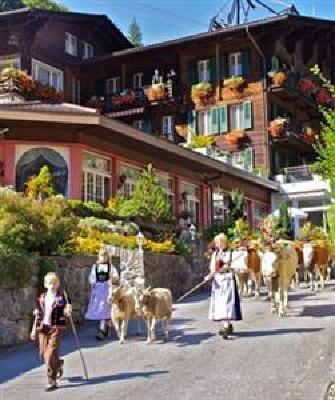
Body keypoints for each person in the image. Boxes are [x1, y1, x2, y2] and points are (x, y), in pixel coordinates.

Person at [31, 272, 72, 392]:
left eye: (55, 283)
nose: (52, 285)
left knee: (50, 353)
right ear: (45, 284)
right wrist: (34, 330)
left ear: (58, 283)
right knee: (43, 353)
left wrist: (68, 310)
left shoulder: (62, 296)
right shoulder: (41, 297)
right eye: (50, 283)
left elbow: (68, 306)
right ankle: (58, 364)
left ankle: (51, 380)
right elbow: (38, 314)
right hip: (43, 328)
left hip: (56, 327)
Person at [205, 233, 242, 339]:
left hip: (228, 280)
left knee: (227, 303)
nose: (218, 245)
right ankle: (227, 325)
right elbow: (213, 269)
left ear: (224, 242)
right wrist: (209, 276)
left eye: (219, 242)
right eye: (216, 243)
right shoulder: (215, 254)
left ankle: (226, 326)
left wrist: (229, 267)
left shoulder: (231, 253)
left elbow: (237, 267)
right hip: (217, 281)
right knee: (220, 304)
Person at [85, 248, 119, 340]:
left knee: (106, 308)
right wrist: (94, 284)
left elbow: (115, 277)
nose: (103, 257)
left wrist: (112, 278)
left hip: (108, 289)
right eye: (101, 255)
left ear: (107, 257)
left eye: (105, 255)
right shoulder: (95, 266)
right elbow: (92, 278)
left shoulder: (110, 266)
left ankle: (103, 329)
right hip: (99, 290)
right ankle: (104, 328)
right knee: (101, 308)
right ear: (98, 256)